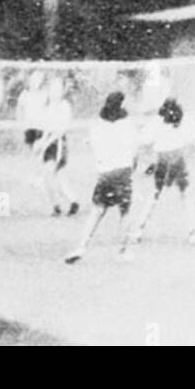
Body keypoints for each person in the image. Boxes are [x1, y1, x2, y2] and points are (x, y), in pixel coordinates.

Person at [64, 92, 138, 264]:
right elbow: (134, 148)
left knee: (97, 211)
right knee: (125, 213)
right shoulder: (127, 125)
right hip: (122, 172)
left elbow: (94, 146)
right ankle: (122, 251)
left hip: (105, 173)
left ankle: (81, 246)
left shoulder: (97, 125)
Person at [132, 97, 195, 245]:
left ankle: (138, 230)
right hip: (178, 159)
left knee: (153, 196)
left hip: (162, 159)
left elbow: (145, 140)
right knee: (186, 196)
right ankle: (192, 232)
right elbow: (193, 139)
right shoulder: (184, 120)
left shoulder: (156, 121)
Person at [33, 75, 79, 216]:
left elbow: (61, 129)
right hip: (48, 143)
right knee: (58, 177)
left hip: (58, 144)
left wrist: (46, 142)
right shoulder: (47, 106)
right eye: (53, 88)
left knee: (49, 174)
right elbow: (45, 127)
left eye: (58, 88)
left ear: (62, 90)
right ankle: (72, 202)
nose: (55, 91)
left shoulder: (65, 106)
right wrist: (40, 142)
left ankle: (57, 206)